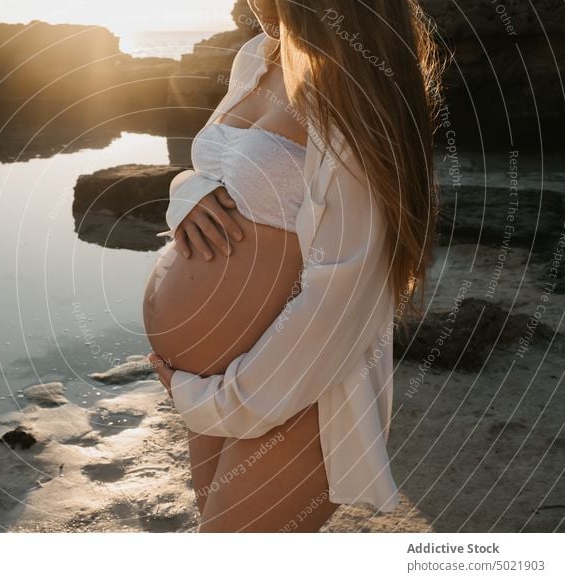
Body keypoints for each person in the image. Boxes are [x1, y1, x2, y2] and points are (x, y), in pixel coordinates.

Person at [146, 0, 444, 532]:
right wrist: (184, 192)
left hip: (294, 398)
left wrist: (218, 402)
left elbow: (343, 295)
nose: (246, 2)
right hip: (216, 385)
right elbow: (218, 169)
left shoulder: (355, 97)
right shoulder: (257, 57)